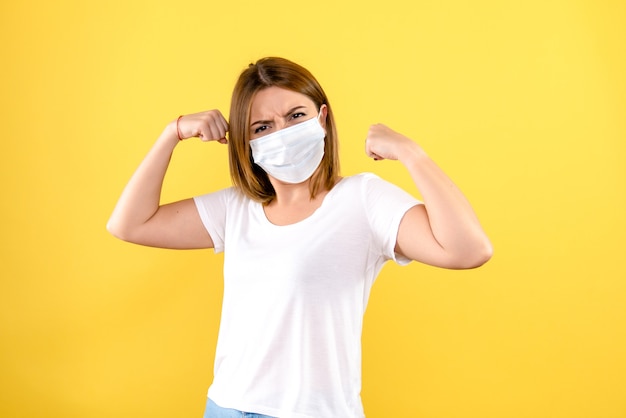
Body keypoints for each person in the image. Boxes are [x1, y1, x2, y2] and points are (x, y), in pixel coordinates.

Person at [107, 57, 493, 418]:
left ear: (322, 118)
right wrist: (170, 134)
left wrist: (412, 154)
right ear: (247, 141)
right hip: (228, 407)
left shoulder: (363, 199)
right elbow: (129, 224)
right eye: (263, 127)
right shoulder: (236, 208)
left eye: (296, 116)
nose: (284, 134)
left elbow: (469, 249)